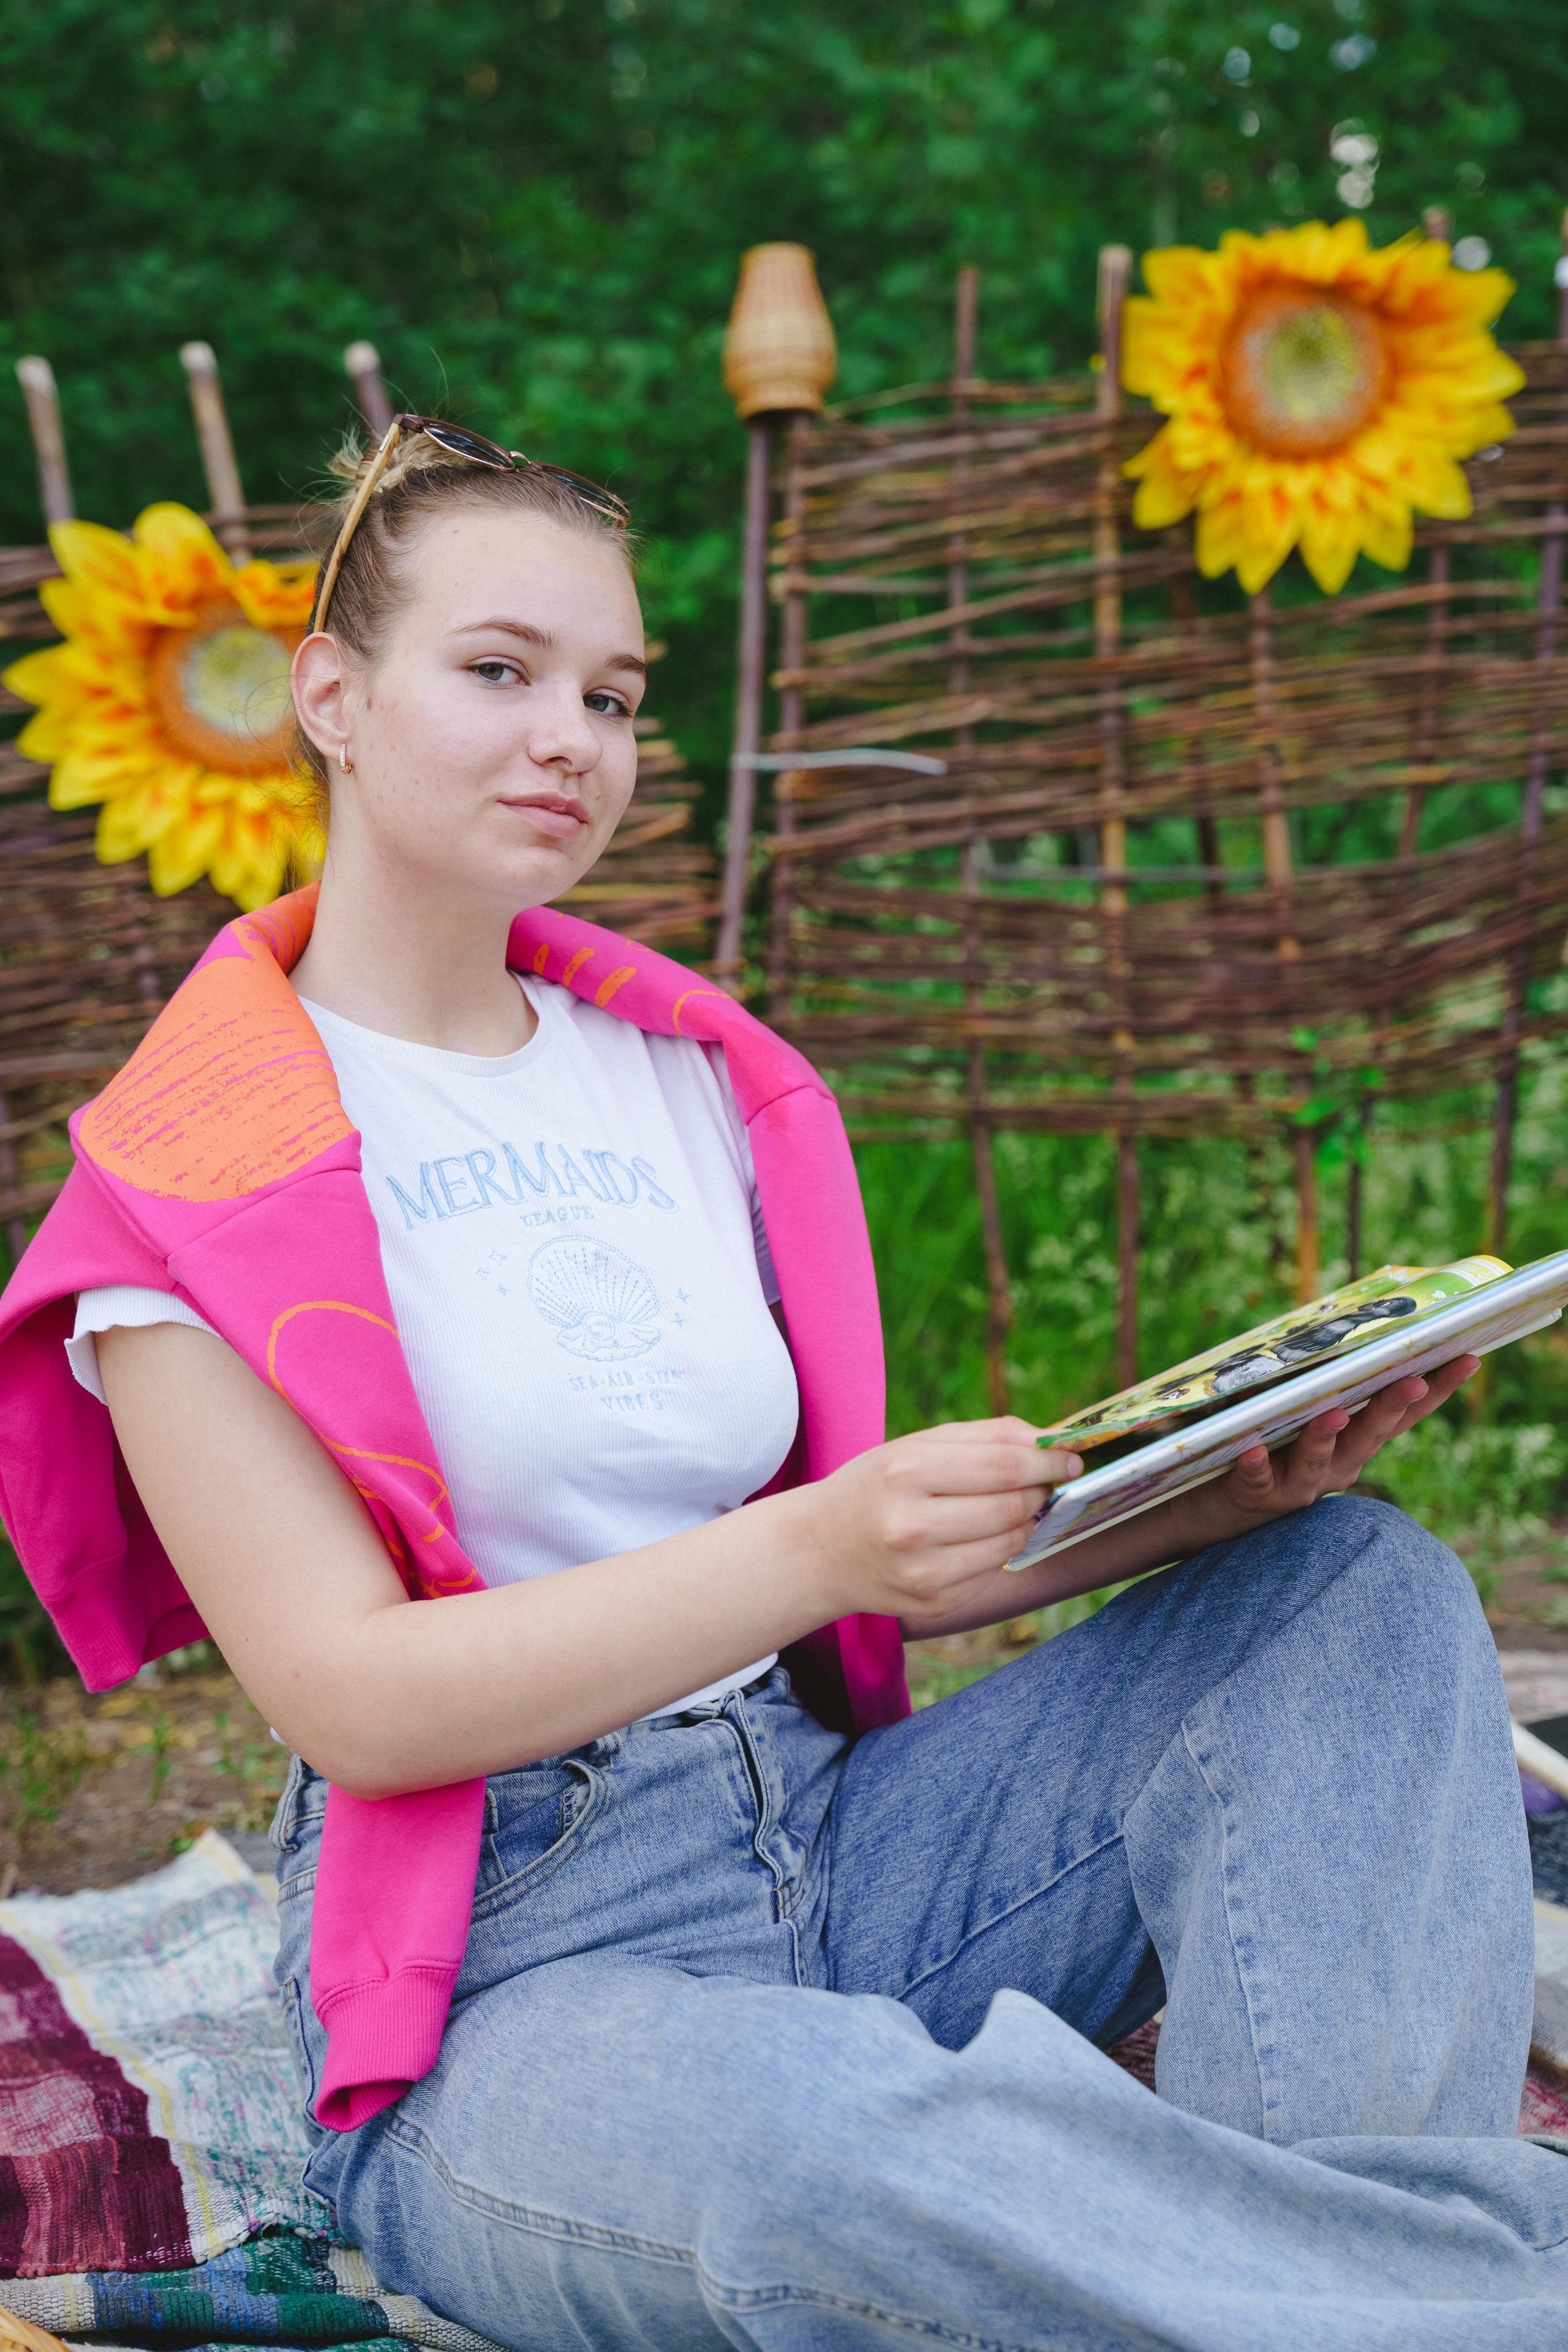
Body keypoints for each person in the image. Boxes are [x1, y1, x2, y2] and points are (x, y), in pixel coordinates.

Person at [1, 418, 1562, 2352]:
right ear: (330, 692)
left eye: (615, 691)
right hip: (517, 1985)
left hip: (840, 1836)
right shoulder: (191, 1178)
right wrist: (827, 1539)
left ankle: (1339, 2283)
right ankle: (1475, 2289)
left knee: (1362, 1594)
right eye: (497, 671)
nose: (570, 733)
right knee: (832, 2159)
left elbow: (845, 1578)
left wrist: (1215, 1497)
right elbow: (357, 1702)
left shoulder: (680, 1079)